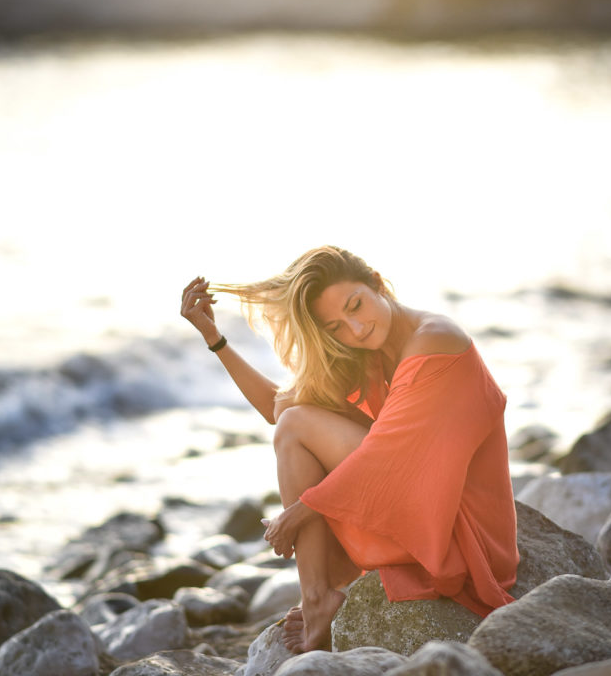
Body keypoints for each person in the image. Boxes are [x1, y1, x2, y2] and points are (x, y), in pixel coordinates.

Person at [180, 246, 518, 654]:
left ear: (376, 282)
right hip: (421, 503)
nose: (355, 329)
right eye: (336, 326)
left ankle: (319, 597)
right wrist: (214, 338)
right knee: (297, 418)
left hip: (460, 526)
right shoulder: (369, 351)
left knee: (299, 426)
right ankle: (319, 596)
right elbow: (279, 408)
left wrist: (300, 511)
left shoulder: (436, 340)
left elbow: (387, 459)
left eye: (356, 306)